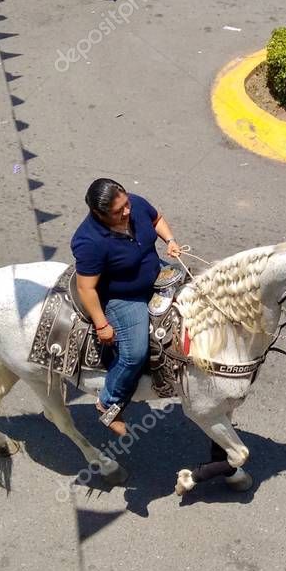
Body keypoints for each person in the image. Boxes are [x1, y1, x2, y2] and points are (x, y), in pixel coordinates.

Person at [71, 179, 182, 436]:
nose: (127, 211)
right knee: (134, 353)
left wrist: (170, 240)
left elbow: (156, 220)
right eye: (118, 211)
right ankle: (108, 402)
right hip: (123, 298)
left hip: (157, 275)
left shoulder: (136, 204)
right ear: (99, 214)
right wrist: (102, 324)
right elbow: (86, 288)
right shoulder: (89, 241)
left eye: (127, 204)